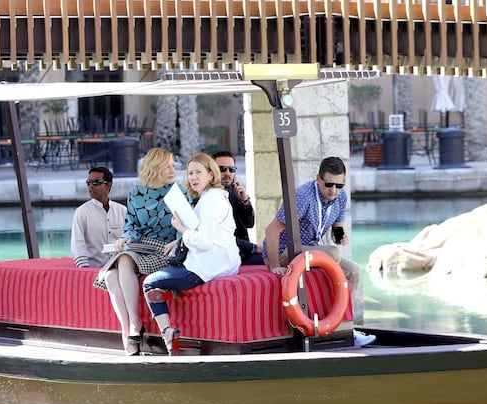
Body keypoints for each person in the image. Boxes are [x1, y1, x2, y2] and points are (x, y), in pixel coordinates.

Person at [142, 153, 241, 354]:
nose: (193, 177)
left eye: (198, 172)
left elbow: (204, 242)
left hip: (206, 266)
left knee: (149, 282)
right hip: (224, 262)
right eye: (190, 173)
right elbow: (209, 233)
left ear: (211, 174)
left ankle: (167, 332)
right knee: (168, 269)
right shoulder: (213, 197)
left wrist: (181, 229)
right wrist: (179, 240)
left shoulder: (210, 201)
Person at [94, 148, 187, 355]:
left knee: (117, 267)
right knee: (111, 274)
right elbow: (132, 224)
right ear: (154, 168)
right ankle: (130, 327)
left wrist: (178, 241)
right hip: (140, 245)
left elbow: (188, 226)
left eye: (173, 166)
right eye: (167, 166)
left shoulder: (178, 191)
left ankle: (131, 332)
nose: (173, 170)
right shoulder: (137, 192)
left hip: (165, 248)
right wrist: (126, 237)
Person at [263, 156, 361, 294]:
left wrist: (340, 236)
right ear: (318, 179)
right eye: (329, 184)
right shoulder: (303, 197)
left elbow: (337, 227)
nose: (333, 190)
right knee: (333, 253)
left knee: (354, 271)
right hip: (285, 252)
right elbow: (271, 230)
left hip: (310, 250)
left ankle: (345, 315)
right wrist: (274, 266)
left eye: (339, 185)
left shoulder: (341, 196)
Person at [212, 150, 263, 265]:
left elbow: (249, 223)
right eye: (222, 169)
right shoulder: (209, 198)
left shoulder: (233, 191)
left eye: (232, 169)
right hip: (226, 257)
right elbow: (220, 237)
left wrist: (245, 200)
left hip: (243, 253)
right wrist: (255, 248)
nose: (228, 173)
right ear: (211, 171)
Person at [70, 166, 126, 268]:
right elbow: (77, 245)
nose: (91, 186)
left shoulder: (122, 210)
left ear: (108, 185)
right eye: (88, 182)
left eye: (96, 182)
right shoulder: (81, 212)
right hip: (93, 270)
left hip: (121, 268)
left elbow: (130, 239)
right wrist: (85, 271)